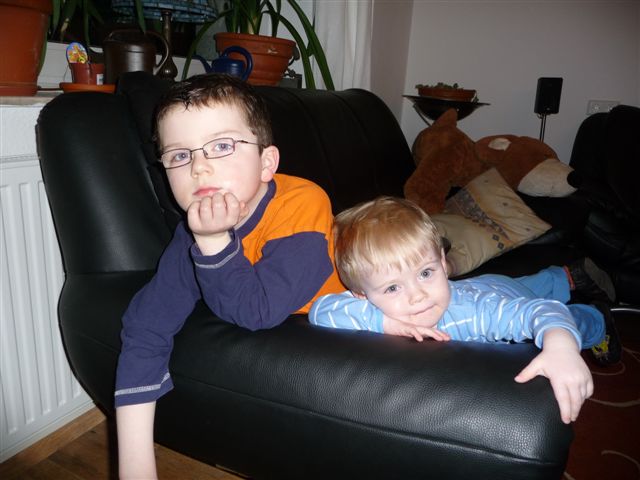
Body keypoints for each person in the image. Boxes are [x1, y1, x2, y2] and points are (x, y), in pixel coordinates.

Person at [115, 73, 344, 479]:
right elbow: (146, 326)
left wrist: (215, 241)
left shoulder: (303, 203)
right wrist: (135, 465)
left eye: (221, 146)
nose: (199, 168)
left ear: (267, 163)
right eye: (179, 155)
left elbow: (258, 311)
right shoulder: (192, 230)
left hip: (360, 307)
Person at [309, 196, 622, 425]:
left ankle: (597, 318)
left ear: (443, 263)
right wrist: (386, 323)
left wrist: (562, 347)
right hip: (484, 286)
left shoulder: (476, 314)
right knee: (524, 286)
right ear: (362, 295)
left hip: (492, 296)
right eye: (393, 288)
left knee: (554, 312)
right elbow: (321, 310)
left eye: (425, 273)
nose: (418, 296)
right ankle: (565, 276)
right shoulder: (379, 304)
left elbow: (539, 312)